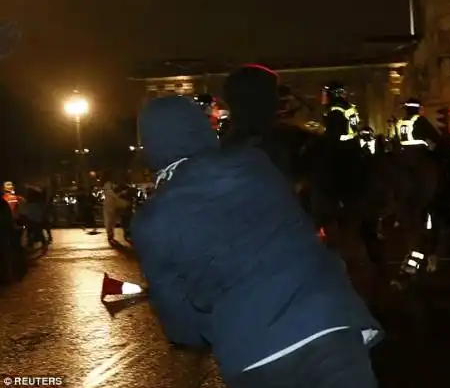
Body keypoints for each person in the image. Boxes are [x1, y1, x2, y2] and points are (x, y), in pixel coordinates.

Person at [132, 95, 382, 388]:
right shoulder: (254, 163)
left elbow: (179, 319)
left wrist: (211, 329)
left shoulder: (150, 221)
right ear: (201, 128)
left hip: (254, 354)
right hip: (330, 322)